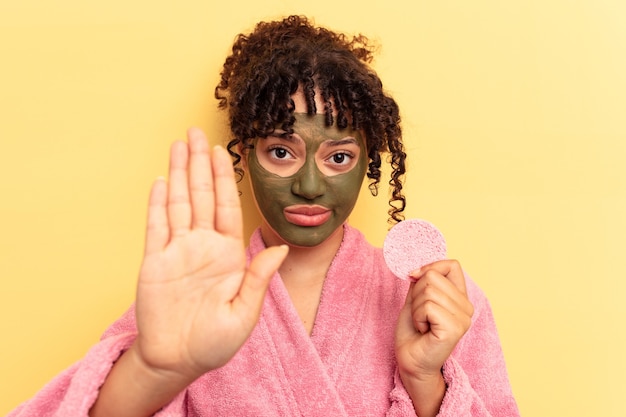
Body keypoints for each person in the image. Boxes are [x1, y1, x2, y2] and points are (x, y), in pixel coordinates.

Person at [9, 15, 519, 417]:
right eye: (281, 151)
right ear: (245, 153)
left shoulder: (439, 305)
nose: (310, 185)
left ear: (369, 162)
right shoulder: (197, 301)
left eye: (338, 156)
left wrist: (425, 380)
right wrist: (151, 369)